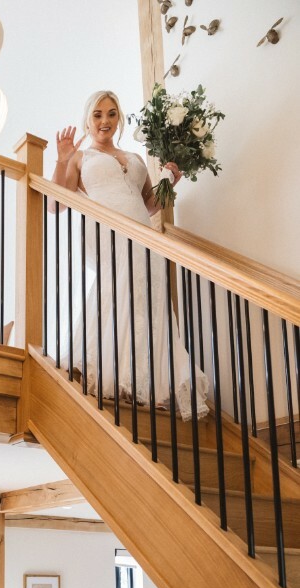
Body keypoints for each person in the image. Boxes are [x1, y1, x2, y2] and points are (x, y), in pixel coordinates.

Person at [52, 90, 209, 421]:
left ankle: (149, 385)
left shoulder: (135, 157)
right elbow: (57, 203)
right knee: (117, 296)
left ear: (119, 118)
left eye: (111, 113)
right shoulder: (82, 157)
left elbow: (151, 203)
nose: (105, 121)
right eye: (97, 114)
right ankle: (114, 379)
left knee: (148, 305)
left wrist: (171, 181)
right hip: (109, 234)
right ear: (88, 119)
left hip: (144, 237)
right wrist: (63, 159)